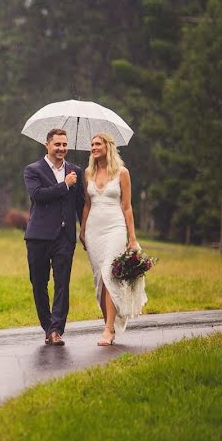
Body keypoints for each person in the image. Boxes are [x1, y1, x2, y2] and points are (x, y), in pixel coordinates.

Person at [79, 132, 147, 346]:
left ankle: (108, 329)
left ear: (108, 147)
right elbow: (87, 205)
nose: (94, 147)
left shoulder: (122, 173)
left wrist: (132, 237)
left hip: (115, 228)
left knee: (110, 274)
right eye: (92, 144)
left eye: (97, 144)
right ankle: (108, 323)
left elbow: (127, 207)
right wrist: (82, 230)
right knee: (100, 280)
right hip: (93, 231)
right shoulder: (88, 173)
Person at [23, 128, 85, 346]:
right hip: (38, 237)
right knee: (39, 283)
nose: (61, 149)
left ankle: (56, 330)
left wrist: (83, 229)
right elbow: (38, 195)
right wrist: (64, 185)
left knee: (62, 284)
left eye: (64, 145)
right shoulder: (33, 170)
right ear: (47, 145)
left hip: (65, 237)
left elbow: (80, 205)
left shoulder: (76, 171)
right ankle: (47, 325)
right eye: (57, 144)